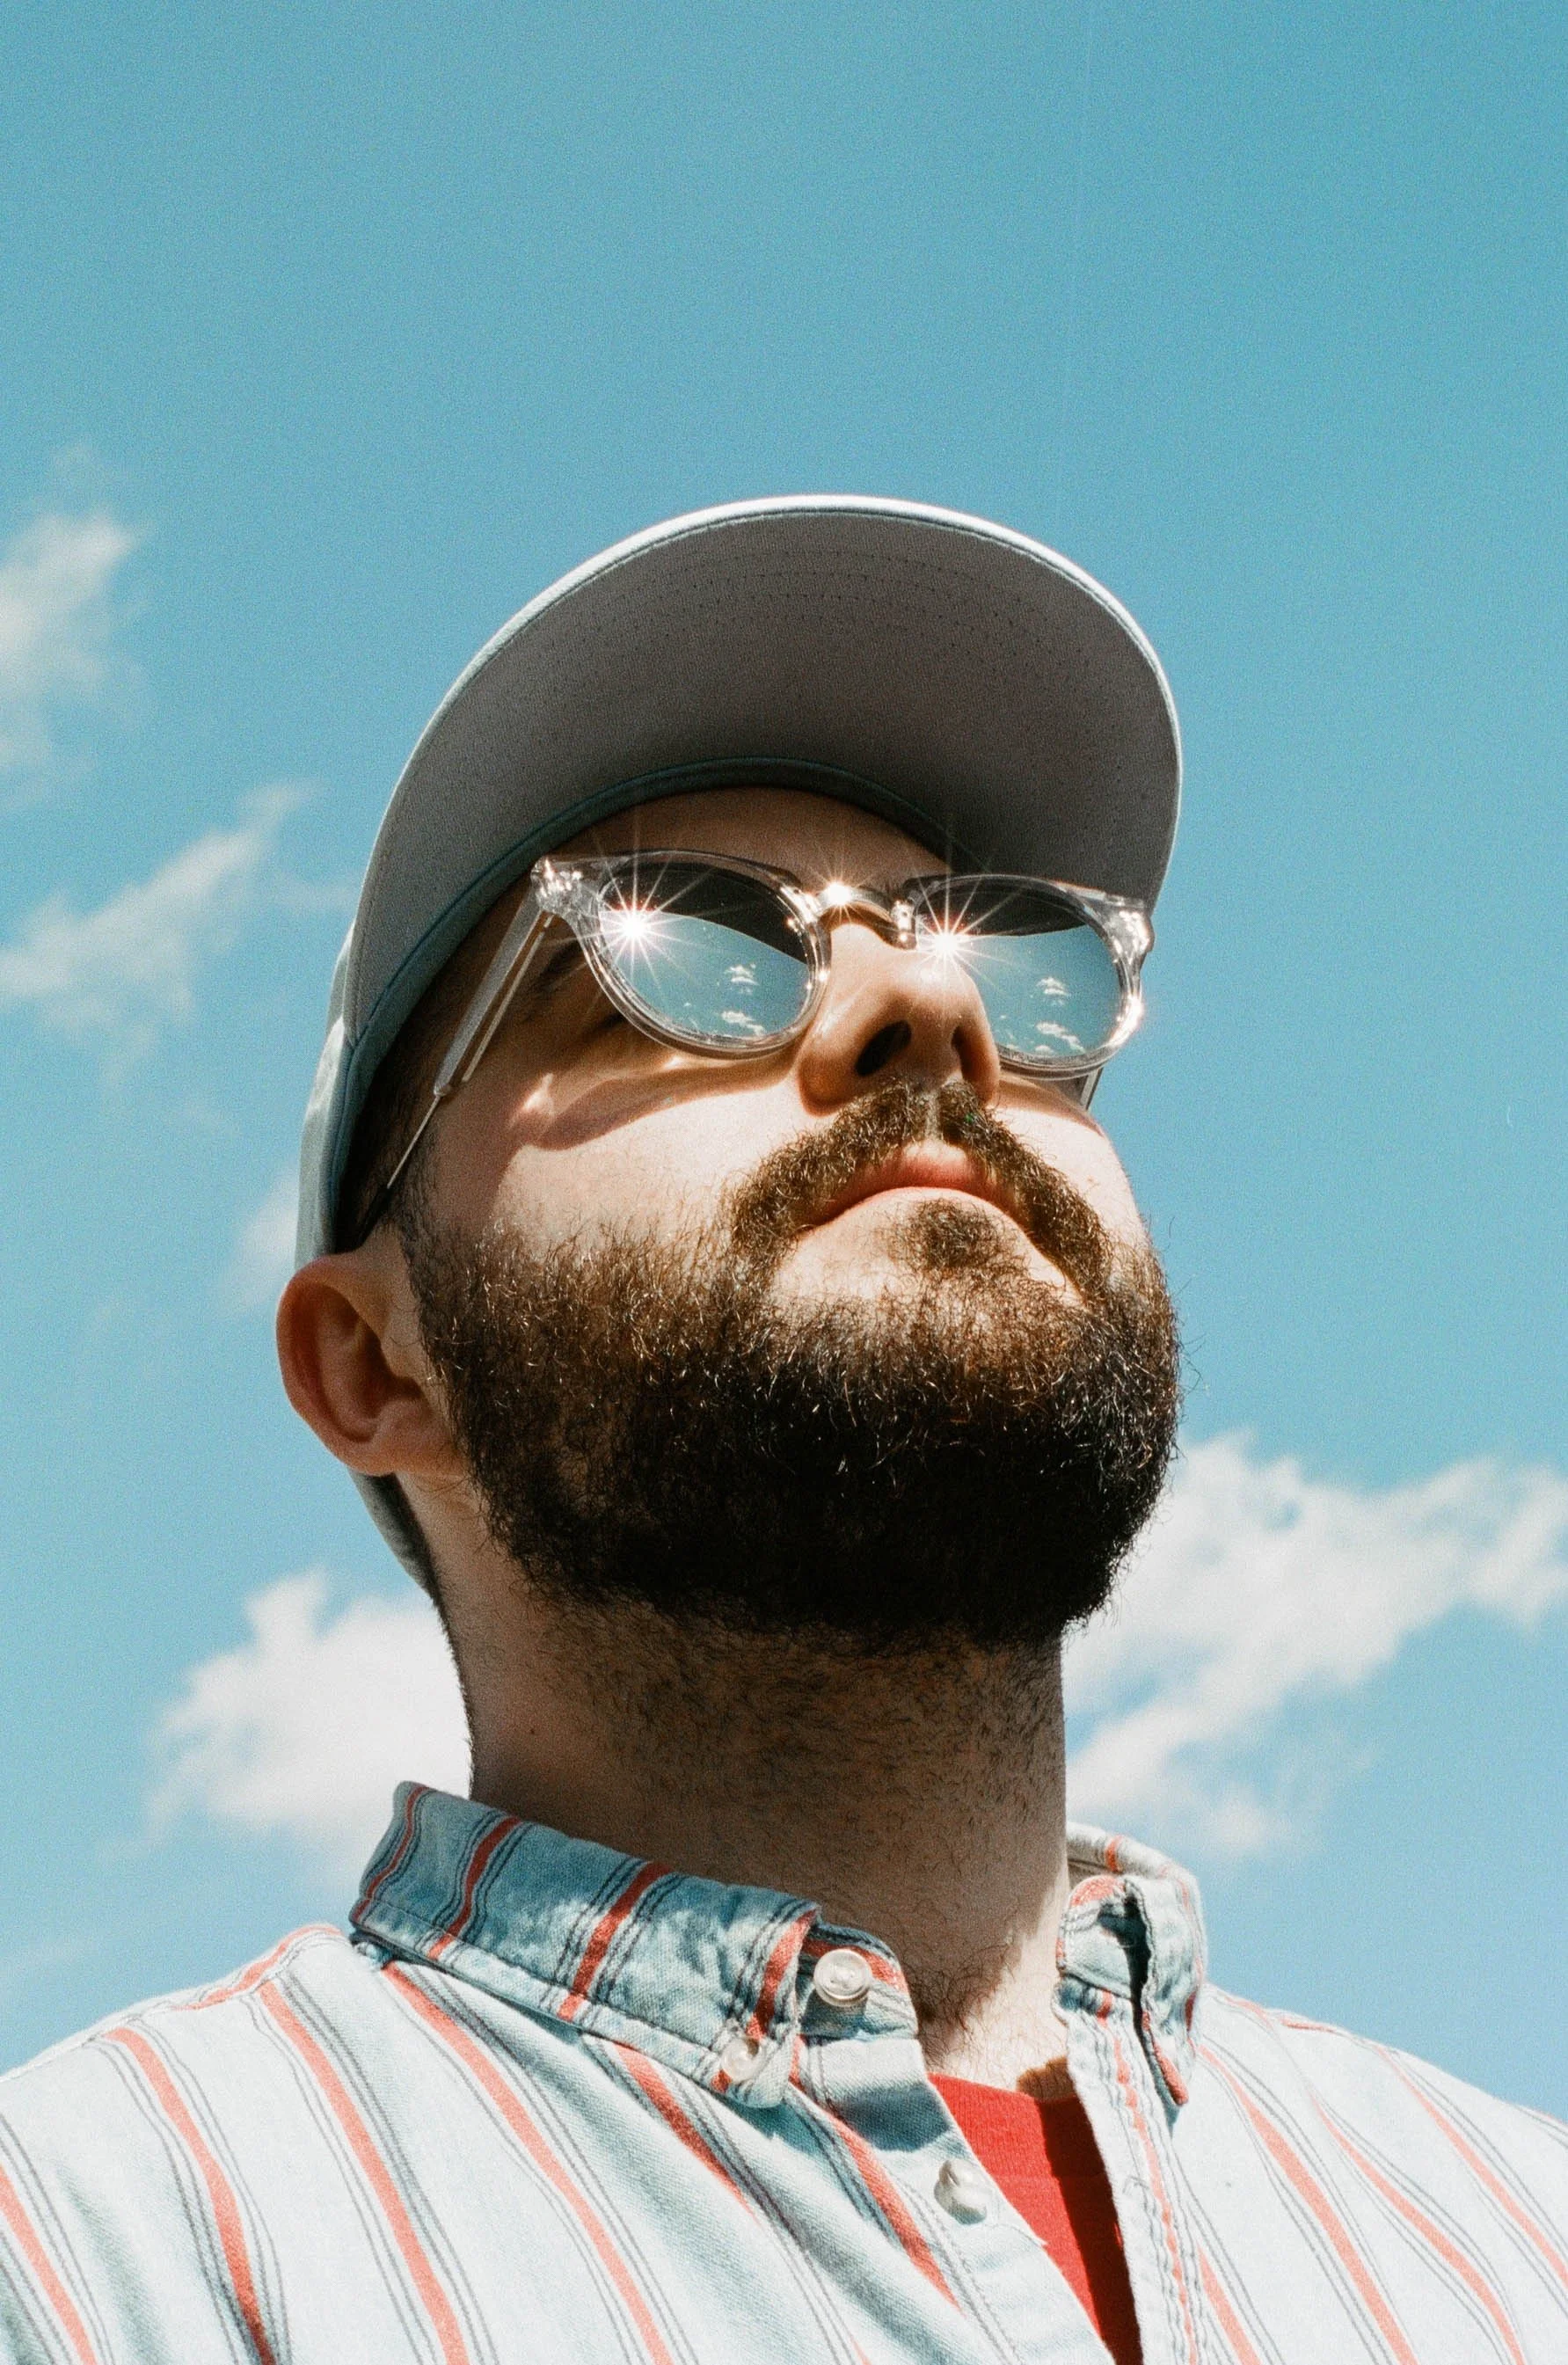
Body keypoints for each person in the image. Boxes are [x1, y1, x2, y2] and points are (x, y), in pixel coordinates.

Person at [1, 499, 1563, 2365]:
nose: (928, 1002)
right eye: (678, 947)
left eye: (1015, 964)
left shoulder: (1518, 2230)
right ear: (374, 1367)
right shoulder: (94, 2256)